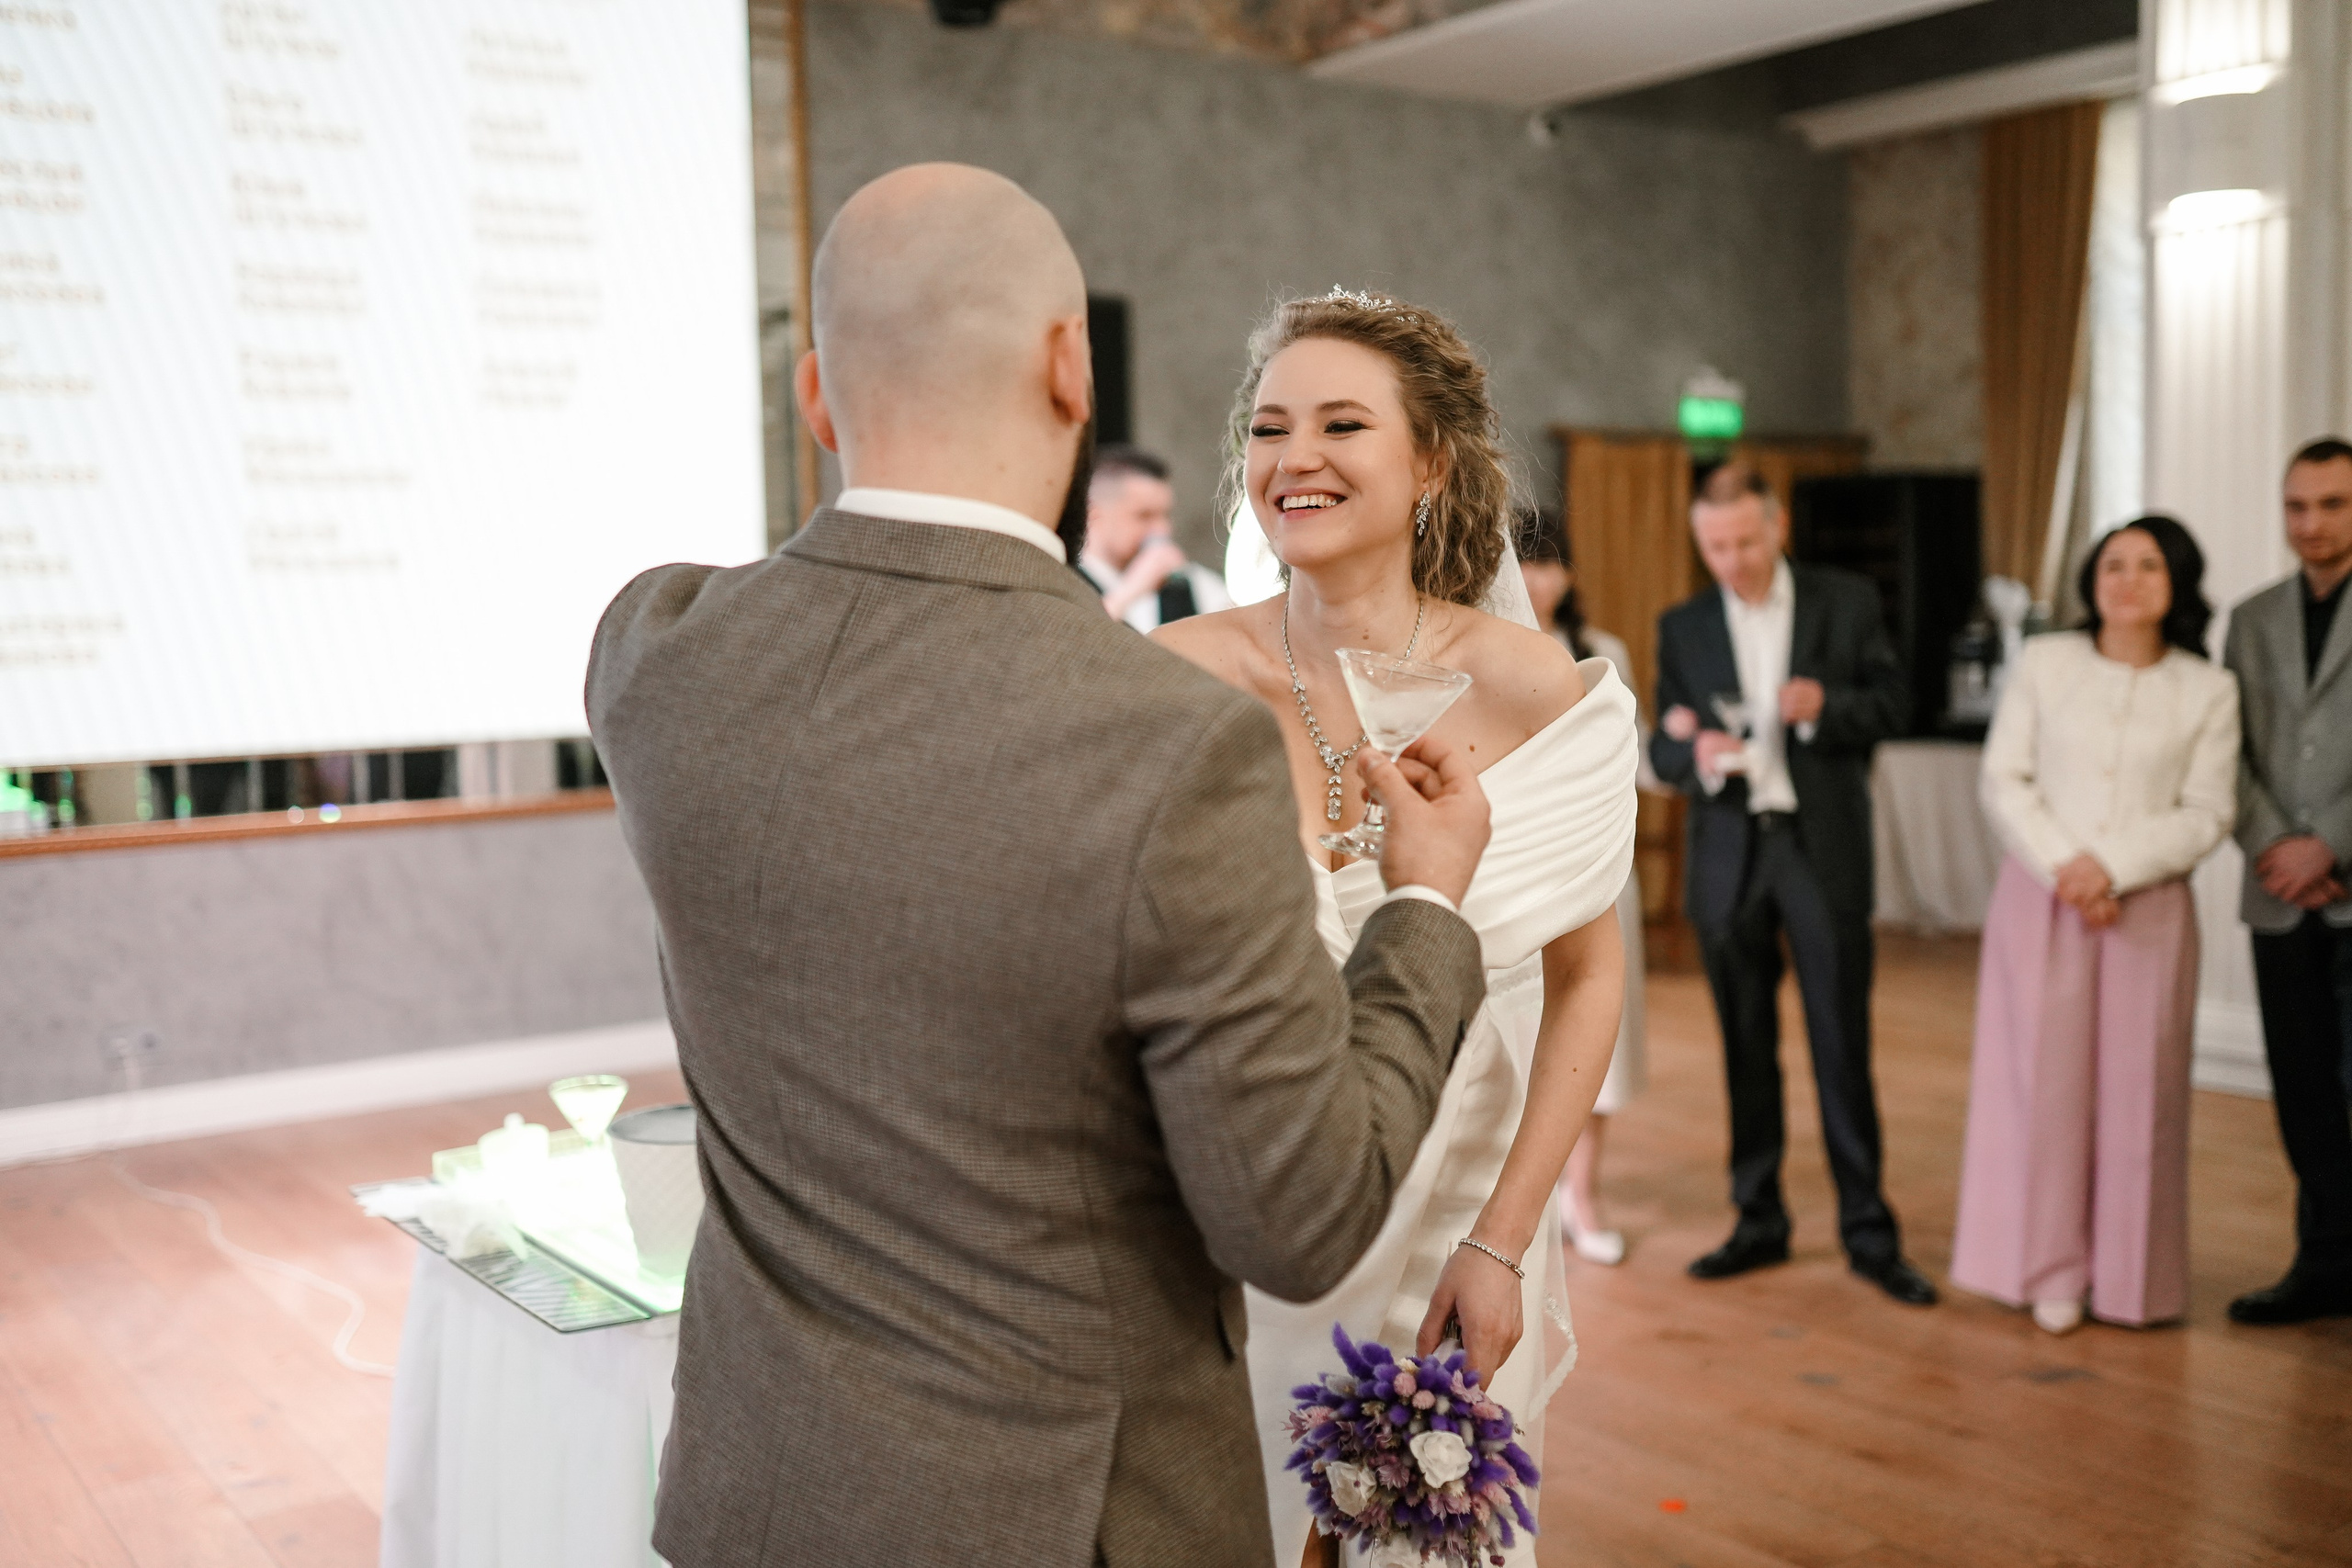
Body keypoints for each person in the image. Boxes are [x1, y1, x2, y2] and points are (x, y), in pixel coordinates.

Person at [585, 168, 1498, 1568]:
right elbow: (1302, 1215)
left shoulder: (656, 650)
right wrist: (1424, 904)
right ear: (1072, 367)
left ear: (816, 395)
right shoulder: (1168, 742)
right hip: (1063, 1518)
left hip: (756, 1492)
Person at [1156, 288, 1639, 1568]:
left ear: (1430, 462)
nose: (1293, 457)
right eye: (1269, 428)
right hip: (1246, 1202)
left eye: (1341, 424)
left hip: (1459, 1200)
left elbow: (1589, 981)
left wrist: (1501, 1242)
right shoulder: (1174, 676)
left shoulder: (1539, 693)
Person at [1651, 462, 1936, 1305]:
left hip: (1820, 850)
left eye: (1745, 542)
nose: (1731, 561)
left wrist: (1827, 706)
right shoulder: (1683, 625)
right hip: (1729, 852)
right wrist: (1694, 753)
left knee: (1841, 1044)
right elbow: (1662, 744)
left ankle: (1869, 1232)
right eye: (1715, 547)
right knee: (1744, 1048)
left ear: (1777, 527)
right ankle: (1759, 1219)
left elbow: (1896, 703)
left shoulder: (1845, 601)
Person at [1953, 516, 2238, 1334]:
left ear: (2177, 583)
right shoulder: (2047, 662)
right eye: (2114, 563)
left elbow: (2208, 809)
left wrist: (2110, 865)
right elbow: (2005, 778)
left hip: (2149, 908)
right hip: (2041, 899)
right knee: (2041, 1086)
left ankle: (2130, 1281)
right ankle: (2047, 1270)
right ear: (2091, 579)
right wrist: (2069, 869)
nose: (2128, 579)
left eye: (2149, 566)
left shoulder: (2208, 688)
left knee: (2142, 1094)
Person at [2223, 435, 2352, 1325]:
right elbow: (2225, 748)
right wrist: (2278, 845)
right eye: (2296, 506)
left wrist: (2330, 846)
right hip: (2276, 895)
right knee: (2303, 1093)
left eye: (2333, 504)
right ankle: (2324, 1264)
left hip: (2344, 880)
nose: (2311, 524)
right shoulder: (2250, 618)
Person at [1519, 507, 1656, 1266]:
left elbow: (1633, 753)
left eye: (1548, 562)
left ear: (1568, 573)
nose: (1537, 578)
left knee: (1599, 1028)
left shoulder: (1603, 651)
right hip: (1515, 863)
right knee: (1520, 1030)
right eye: (1524, 561)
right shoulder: (1483, 646)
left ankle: (1584, 1195)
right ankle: (1524, 1201)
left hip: (1597, 859)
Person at [1077, 444, 1234, 630]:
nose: (1162, 531)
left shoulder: (1190, 583)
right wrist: (1131, 591)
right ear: (1093, 515)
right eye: (1144, 516)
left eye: (1166, 515)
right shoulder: (1065, 579)